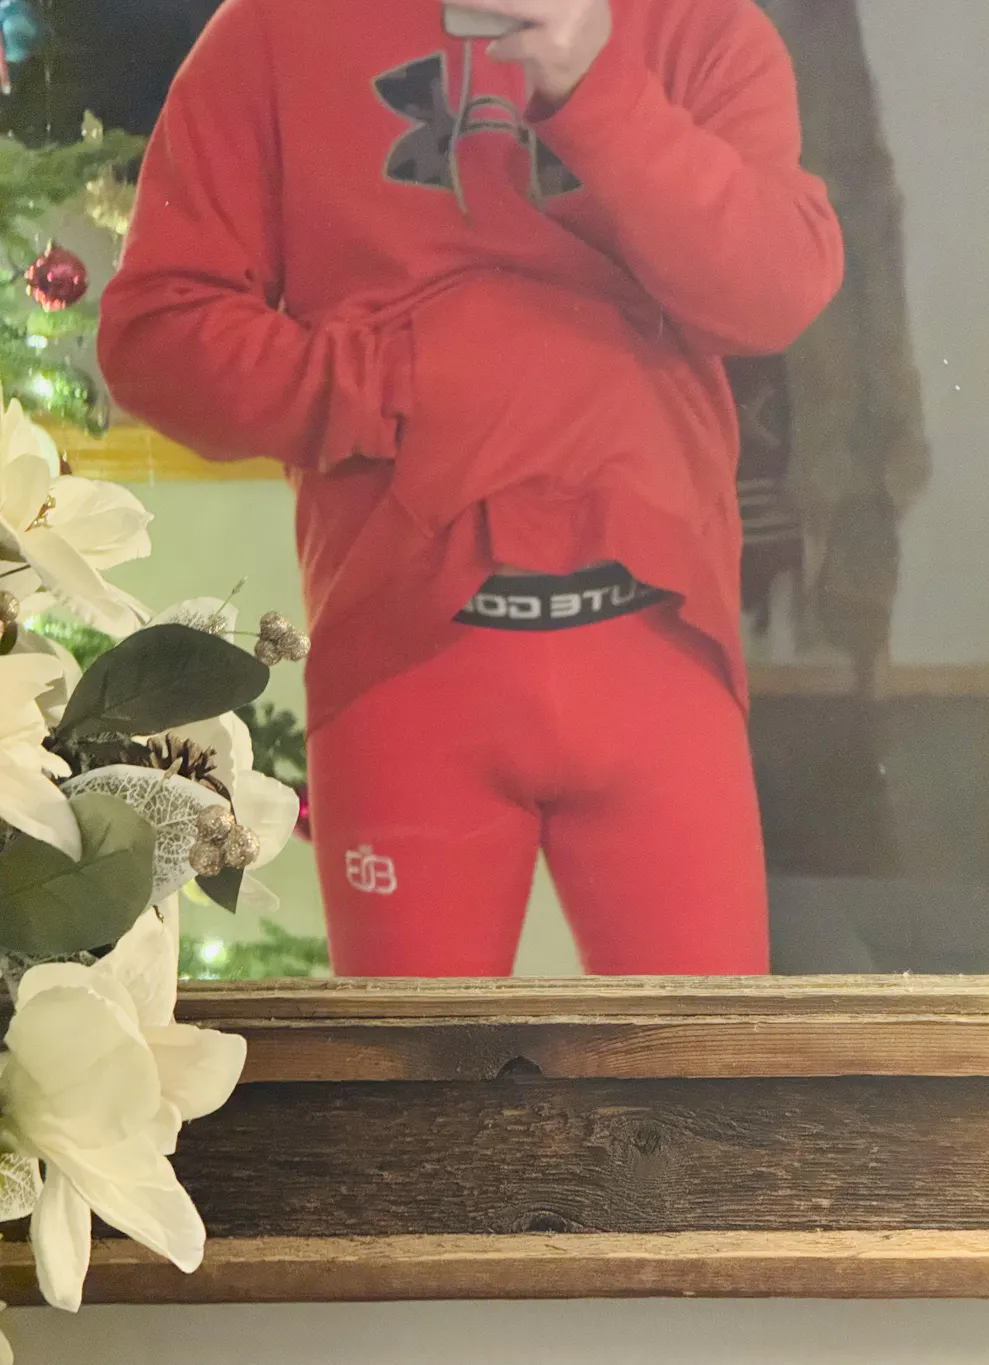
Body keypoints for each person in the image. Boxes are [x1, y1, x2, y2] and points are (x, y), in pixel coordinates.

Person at [98, 0, 843, 977]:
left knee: (708, 1067)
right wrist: (397, 386)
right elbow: (157, 335)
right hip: (407, 665)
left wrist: (597, 89)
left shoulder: (699, 25)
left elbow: (775, 290)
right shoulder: (274, 29)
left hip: (662, 651)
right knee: (415, 1071)